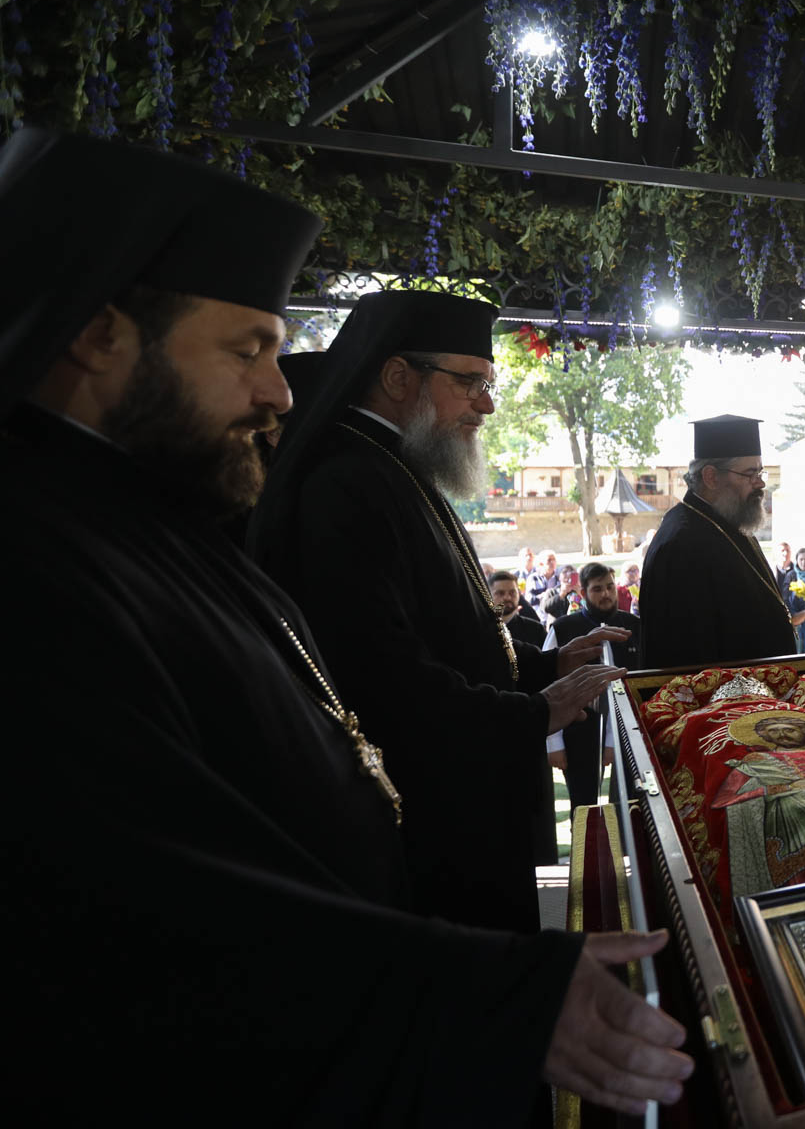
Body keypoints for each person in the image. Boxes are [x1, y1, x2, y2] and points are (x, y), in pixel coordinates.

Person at [0, 129, 689, 1120]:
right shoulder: (39, 554)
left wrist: (536, 665)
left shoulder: (148, 514)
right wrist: (484, 989)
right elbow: (156, 907)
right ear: (100, 334)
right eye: (249, 348)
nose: (281, 390)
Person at [251, 289, 629, 934]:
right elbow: (384, 678)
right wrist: (538, 711)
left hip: (475, 789)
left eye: (490, 384)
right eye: (470, 383)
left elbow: (455, 635)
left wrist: (545, 667)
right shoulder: (347, 483)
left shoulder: (397, 465)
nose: (486, 405)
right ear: (399, 377)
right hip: (438, 813)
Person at [636, 415, 799, 669]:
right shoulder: (681, 545)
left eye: (760, 471)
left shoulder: (731, 522)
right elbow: (686, 657)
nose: (760, 482)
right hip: (724, 703)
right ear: (711, 477)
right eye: (749, 473)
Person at [545, 562, 644, 812]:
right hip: (579, 730)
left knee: (632, 805)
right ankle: (587, 851)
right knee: (584, 805)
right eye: (598, 589)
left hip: (630, 730)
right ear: (584, 593)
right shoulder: (563, 629)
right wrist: (554, 743)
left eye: (610, 587)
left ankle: (624, 850)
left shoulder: (635, 626)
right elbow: (548, 685)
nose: (606, 594)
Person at [491, 569, 547, 645]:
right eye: (500, 593)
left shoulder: (535, 630)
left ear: (519, 594)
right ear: (489, 595)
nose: (507, 597)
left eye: (512, 592)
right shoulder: (479, 628)